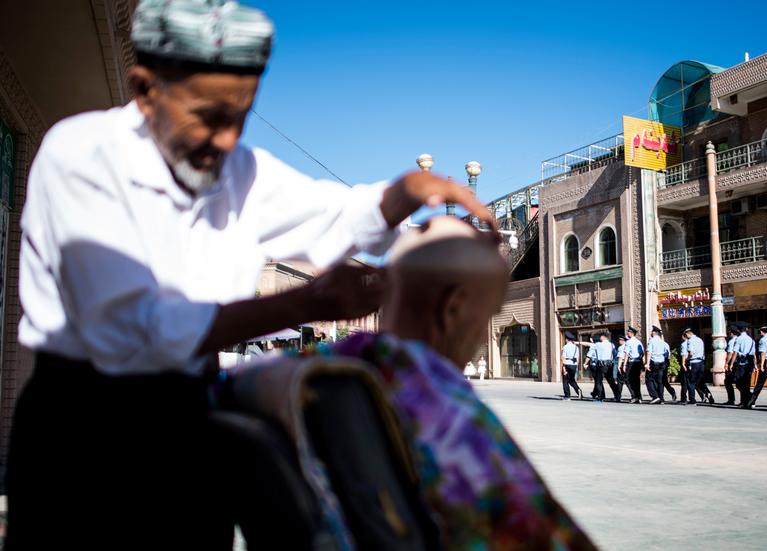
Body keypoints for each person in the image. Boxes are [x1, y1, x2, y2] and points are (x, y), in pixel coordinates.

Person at [4, 2, 498, 547]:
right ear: (145, 89)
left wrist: (407, 193)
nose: (224, 138)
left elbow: (334, 214)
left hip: (191, 425)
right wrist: (301, 305)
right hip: (83, 432)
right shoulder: (81, 155)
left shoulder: (240, 170)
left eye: (240, 116)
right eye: (208, 115)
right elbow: (129, 330)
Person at [338, 216, 596, 548]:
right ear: (453, 307)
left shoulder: (302, 371)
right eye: (485, 316)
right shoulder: (451, 422)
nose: (477, 339)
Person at [747, 325, 767, 409]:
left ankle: (751, 401)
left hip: (765, 363)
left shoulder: (762, 340)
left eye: (759, 331)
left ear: (761, 331)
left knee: (759, 384)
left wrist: (761, 366)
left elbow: (763, 353)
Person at [731, 322, 757, 408]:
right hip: (749, 363)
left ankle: (747, 399)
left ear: (738, 330)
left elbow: (735, 352)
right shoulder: (751, 340)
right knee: (746, 383)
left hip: (741, 363)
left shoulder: (738, 339)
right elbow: (753, 354)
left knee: (739, 383)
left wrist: (731, 363)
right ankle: (747, 401)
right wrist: (755, 365)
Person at [645, 326, 671, 404]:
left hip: (654, 362)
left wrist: (648, 364)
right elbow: (667, 354)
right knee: (659, 381)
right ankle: (661, 398)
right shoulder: (663, 342)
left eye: (651, 332)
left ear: (653, 333)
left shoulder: (651, 341)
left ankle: (655, 396)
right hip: (662, 363)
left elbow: (649, 352)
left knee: (649, 379)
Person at [683, 328, 707, 405]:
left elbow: (691, 353)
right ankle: (706, 394)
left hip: (693, 363)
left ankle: (692, 399)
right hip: (701, 362)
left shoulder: (690, 341)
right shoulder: (700, 340)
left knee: (691, 382)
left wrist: (686, 359)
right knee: (698, 381)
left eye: (685, 335)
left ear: (687, 334)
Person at [591, 332, 617, 403]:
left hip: (601, 365)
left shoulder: (598, 344)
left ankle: (600, 397)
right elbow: (614, 355)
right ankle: (617, 395)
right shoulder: (612, 345)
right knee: (611, 381)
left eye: (600, 336)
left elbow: (590, 345)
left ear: (603, 337)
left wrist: (578, 342)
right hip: (609, 365)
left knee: (598, 381)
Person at [624, 326, 645, 404]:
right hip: (638, 362)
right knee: (636, 380)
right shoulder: (638, 342)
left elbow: (626, 354)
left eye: (628, 332)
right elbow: (642, 353)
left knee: (628, 379)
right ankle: (639, 396)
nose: (627, 333)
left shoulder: (628, 342)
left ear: (631, 333)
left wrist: (624, 365)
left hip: (632, 362)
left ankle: (634, 396)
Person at [561, 331, 583, 401]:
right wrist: (576, 366)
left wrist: (564, 368)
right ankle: (578, 390)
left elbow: (563, 358)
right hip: (574, 365)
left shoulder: (565, 347)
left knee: (565, 381)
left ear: (567, 339)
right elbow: (578, 358)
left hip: (567, 364)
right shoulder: (576, 347)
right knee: (571, 380)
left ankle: (567, 396)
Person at [722, 325, 739, 405]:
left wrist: (726, 363)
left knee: (728, 381)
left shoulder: (732, 341)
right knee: (740, 383)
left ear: (732, 333)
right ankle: (745, 398)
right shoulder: (739, 339)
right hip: (738, 363)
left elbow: (730, 353)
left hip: (732, 363)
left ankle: (731, 399)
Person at [609, 336, 627, 402]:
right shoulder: (627, 346)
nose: (619, 341)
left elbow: (620, 357)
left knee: (618, 381)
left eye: (620, 340)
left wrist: (618, 366)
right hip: (626, 364)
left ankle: (618, 397)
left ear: (623, 341)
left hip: (619, 364)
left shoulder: (621, 347)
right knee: (628, 381)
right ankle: (636, 396)